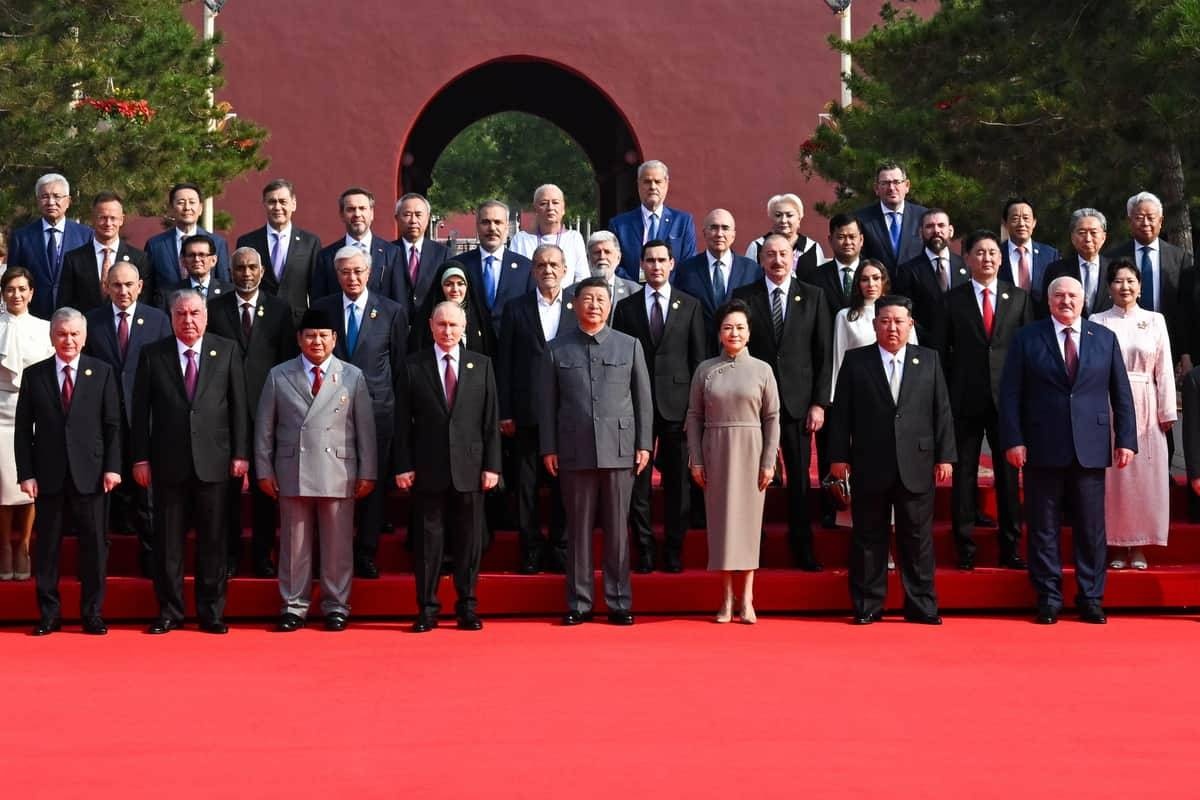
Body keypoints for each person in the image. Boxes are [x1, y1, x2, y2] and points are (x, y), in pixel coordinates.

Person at [999, 276, 1137, 624]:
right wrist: (1013, 439)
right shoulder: (1027, 338)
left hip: (1091, 446)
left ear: (1083, 300)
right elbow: (1010, 394)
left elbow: (1121, 393)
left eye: (1072, 296)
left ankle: (1091, 597)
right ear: (1048, 301)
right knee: (1043, 526)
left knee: (1091, 529)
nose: (1066, 301)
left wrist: (1126, 439)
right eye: (1058, 295)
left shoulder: (1103, 338)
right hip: (1042, 445)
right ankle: (1048, 597)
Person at [828, 295, 955, 625]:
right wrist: (838, 456)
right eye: (885, 321)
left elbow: (941, 410)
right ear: (875, 325)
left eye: (899, 321)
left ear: (910, 324)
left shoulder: (928, 360)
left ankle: (922, 606)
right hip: (870, 461)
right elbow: (841, 414)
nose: (892, 328)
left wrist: (945, 456)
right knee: (869, 538)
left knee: (918, 538)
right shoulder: (857, 361)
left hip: (917, 462)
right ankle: (868, 605)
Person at [132, 290, 250, 634]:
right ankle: (170, 611)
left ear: (206, 316)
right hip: (168, 464)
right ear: (171, 318)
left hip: (215, 462)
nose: (188, 320)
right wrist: (140, 458)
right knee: (168, 543)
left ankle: (211, 612)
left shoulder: (226, 350)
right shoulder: (153, 354)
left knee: (213, 542)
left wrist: (241, 454)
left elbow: (239, 406)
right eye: (181, 314)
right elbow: (140, 412)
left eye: (195, 313)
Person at [255, 308, 376, 632]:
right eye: (310, 335)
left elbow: (365, 429)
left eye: (323, 335)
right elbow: (264, 428)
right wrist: (264, 469)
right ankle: (293, 606)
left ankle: (337, 606)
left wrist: (368, 471)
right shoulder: (279, 375)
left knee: (337, 546)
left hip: (338, 469)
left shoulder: (352, 376)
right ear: (299, 339)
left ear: (334, 339)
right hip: (293, 469)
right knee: (294, 545)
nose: (317, 341)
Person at [540, 277, 652, 626]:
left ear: (610, 305)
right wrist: (549, 447)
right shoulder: (557, 349)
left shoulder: (629, 345)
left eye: (601, 299)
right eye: (587, 299)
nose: (594, 305)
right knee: (578, 530)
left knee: (618, 531)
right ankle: (580, 602)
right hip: (574, 450)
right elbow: (548, 404)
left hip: (619, 450)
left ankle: (619, 602)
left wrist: (644, 443)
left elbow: (643, 399)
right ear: (574, 305)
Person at [395, 302, 502, 632]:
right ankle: (427, 609)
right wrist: (403, 465)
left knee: (469, 543)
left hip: (471, 469)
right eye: (441, 324)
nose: (447, 331)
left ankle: (467, 607)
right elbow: (402, 423)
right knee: (428, 544)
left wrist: (492, 466)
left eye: (454, 325)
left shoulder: (481, 365)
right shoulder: (413, 366)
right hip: (428, 469)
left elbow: (490, 421)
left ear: (464, 327)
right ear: (431, 325)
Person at [15, 307, 122, 635]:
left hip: (92, 475)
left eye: (75, 334)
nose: (68, 340)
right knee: (47, 549)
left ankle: (92, 613)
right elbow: (23, 430)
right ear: (52, 337)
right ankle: (49, 614)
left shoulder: (101, 372)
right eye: (62, 334)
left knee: (94, 548)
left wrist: (112, 468)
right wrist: (26, 473)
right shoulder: (35, 375)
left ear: (84, 337)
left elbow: (113, 425)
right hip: (48, 475)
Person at [731, 233, 832, 570]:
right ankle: (752, 546)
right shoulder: (744, 297)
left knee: (799, 478)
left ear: (794, 258)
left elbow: (823, 354)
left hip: (798, 403)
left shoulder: (814, 296)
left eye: (783, 254)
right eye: (770, 254)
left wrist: (819, 403)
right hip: (753, 403)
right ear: (761, 260)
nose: (777, 260)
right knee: (752, 477)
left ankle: (801, 545)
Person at [311, 246, 408, 578]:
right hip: (329, 412)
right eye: (345, 272)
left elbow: (399, 368)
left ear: (369, 272)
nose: (351, 277)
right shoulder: (321, 308)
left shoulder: (392, 311)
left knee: (372, 484)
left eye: (357, 271)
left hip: (376, 412)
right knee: (331, 483)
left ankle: (366, 551)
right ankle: (332, 553)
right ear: (336, 274)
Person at [613, 240, 706, 573]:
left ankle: (674, 549)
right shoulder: (626, 308)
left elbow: (698, 361)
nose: (655, 266)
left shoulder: (690, 305)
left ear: (672, 264)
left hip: (678, 409)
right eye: (649, 260)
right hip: (636, 408)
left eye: (661, 260)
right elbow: (620, 362)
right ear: (641, 264)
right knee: (638, 484)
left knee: (678, 484)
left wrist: (696, 411)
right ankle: (645, 548)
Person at [942, 231, 1034, 570]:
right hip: (964, 399)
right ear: (967, 259)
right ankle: (965, 548)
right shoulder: (952, 300)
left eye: (993, 252)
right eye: (979, 253)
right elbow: (941, 352)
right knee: (963, 475)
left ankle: (1010, 547)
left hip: (1008, 401)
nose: (987, 259)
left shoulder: (1019, 298)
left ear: (1001, 258)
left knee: (1008, 477)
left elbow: (1028, 351)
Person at [687, 299, 780, 623]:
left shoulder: (763, 370)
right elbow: (694, 416)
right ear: (719, 333)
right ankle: (726, 597)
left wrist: (769, 461)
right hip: (716, 449)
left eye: (740, 327)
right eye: (728, 327)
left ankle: (748, 598)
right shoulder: (705, 369)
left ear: (749, 332)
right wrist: (696, 459)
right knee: (722, 525)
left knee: (749, 525)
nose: (734, 333)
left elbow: (772, 417)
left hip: (752, 450)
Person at [206, 246, 298, 577]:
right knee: (227, 492)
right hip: (225, 411)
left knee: (265, 489)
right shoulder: (214, 309)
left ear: (262, 271)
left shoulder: (279, 309)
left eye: (252, 267)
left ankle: (263, 555)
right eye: (240, 268)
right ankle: (229, 556)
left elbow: (288, 360)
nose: (246, 273)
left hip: (267, 410)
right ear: (230, 272)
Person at [83, 263, 172, 577]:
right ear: (106, 286)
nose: (123, 291)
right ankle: (97, 565)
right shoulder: (91, 321)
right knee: (101, 495)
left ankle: (151, 561)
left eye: (128, 285)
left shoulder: (159, 320)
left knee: (147, 496)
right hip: (102, 420)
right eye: (116, 285)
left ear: (140, 286)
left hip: (145, 420)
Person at [1090, 260, 1176, 570]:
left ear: (1139, 287)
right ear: (1108, 287)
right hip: (1109, 403)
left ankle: (1140, 544)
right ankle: (1115, 543)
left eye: (1130, 281)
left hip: (1146, 402)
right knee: (1115, 478)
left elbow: (1164, 369)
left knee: (1144, 477)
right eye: (1118, 281)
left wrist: (1166, 410)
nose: (1124, 287)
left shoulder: (1155, 320)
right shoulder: (1097, 321)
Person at [497, 245, 574, 574]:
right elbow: (505, 362)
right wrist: (505, 411)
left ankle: (560, 547)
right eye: (541, 265)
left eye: (554, 264)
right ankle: (529, 549)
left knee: (563, 485)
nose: (548, 270)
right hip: (526, 412)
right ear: (532, 271)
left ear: (565, 269)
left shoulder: (577, 306)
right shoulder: (516, 308)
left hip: (568, 412)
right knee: (526, 486)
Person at [0, 268, 53, 581]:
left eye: (22, 289)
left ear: (32, 293)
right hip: (1, 414)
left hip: (34, 413)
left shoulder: (45, 328)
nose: (16, 295)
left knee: (30, 484)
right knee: (4, 485)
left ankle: (24, 546)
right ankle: (5, 547)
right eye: (10, 289)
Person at [1105, 191, 1193, 372]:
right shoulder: (1112, 257)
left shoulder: (1179, 257)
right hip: (1124, 344)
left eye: (1151, 218)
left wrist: (1185, 353)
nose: (1145, 223)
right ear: (1130, 221)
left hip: (1168, 344)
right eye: (1139, 218)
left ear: (1161, 221)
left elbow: (1184, 309)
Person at [235, 178, 323, 325]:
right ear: (264, 204)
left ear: (293, 204)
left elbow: (316, 290)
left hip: (297, 323)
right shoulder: (247, 242)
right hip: (259, 322)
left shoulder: (310, 243)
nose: (277, 207)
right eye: (272, 202)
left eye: (283, 202)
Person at [6, 173, 94, 318]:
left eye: (57, 196)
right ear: (37, 201)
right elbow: (13, 279)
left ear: (68, 201)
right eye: (45, 197)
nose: (51, 202)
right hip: (34, 316)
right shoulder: (22, 237)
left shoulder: (86, 235)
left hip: (73, 318)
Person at [673, 209, 762, 343]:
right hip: (700, 346)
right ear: (704, 233)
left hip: (738, 346)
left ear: (733, 235)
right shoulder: (686, 270)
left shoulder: (752, 270)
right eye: (713, 228)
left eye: (725, 228)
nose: (719, 234)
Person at [58, 191, 153, 314]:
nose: (108, 223)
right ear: (93, 219)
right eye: (102, 218)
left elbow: (144, 301)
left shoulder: (139, 259)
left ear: (121, 220)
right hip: (86, 324)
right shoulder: (74, 259)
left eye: (113, 218)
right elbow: (66, 304)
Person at [892, 208, 967, 353]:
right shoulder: (907, 271)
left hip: (963, 348)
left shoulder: (966, 266)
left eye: (941, 225)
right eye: (930, 226)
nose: (936, 230)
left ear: (950, 230)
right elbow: (906, 313)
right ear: (921, 233)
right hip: (926, 348)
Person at [311, 186, 405, 301]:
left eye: (362, 208)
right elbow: (319, 304)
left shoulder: (392, 253)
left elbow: (399, 301)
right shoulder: (326, 257)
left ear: (371, 213)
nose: (357, 214)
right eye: (351, 209)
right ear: (342, 215)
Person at [608, 160, 697, 280]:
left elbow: (688, 264)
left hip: (671, 290)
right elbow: (614, 263)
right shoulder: (619, 225)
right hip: (632, 290)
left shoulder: (683, 222)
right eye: (647, 182)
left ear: (666, 185)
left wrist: (665, 288)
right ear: (638, 185)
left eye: (658, 182)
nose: (653, 187)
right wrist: (634, 288)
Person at [456, 200, 534, 337]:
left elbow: (531, 313)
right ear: (477, 226)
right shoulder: (460, 265)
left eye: (498, 222)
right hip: (472, 344)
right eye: (486, 222)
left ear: (506, 227)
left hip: (512, 343)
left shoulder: (526, 268)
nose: (492, 228)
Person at [144, 182, 230, 291]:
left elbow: (224, 285)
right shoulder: (155, 245)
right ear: (171, 208)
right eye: (181, 202)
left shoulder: (218, 243)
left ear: (200, 208)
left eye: (192, 202)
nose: (187, 207)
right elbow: (148, 288)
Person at [853, 162, 928, 278]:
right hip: (878, 287)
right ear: (876, 188)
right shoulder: (861, 219)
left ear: (907, 185)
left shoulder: (923, 216)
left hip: (916, 286)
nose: (891, 188)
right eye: (885, 183)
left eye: (897, 182)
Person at [1039, 209, 1113, 318]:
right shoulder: (1056, 270)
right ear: (1072, 237)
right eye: (1082, 233)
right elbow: (1046, 309)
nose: (1088, 239)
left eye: (1093, 233)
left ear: (1103, 237)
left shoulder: (1114, 269)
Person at [509, 184, 590, 284]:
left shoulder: (574, 238)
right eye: (543, 203)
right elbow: (513, 277)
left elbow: (582, 279)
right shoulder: (521, 239)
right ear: (535, 209)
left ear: (563, 209)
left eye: (555, 202)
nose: (550, 207)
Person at [417, 263, 495, 356]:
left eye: (460, 284)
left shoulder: (480, 317)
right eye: (448, 284)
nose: (455, 289)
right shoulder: (425, 319)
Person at [391, 192, 449, 317]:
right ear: (397, 218)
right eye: (407, 215)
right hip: (395, 322)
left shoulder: (442, 253)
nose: (413, 221)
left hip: (430, 323)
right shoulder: (388, 252)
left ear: (428, 218)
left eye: (418, 215)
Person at [744, 193, 826, 276]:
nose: (783, 220)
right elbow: (748, 278)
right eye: (778, 215)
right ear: (771, 217)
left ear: (799, 218)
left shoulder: (813, 248)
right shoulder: (757, 247)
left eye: (789, 215)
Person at [998, 198, 1059, 303]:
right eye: (1015, 218)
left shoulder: (1050, 254)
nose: (1021, 223)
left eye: (1026, 218)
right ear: (1005, 223)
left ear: (1034, 222)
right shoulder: (996, 253)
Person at [570, 231, 641, 320]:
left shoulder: (635, 292)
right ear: (588, 258)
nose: (602, 257)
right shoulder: (571, 292)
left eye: (607, 252)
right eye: (597, 252)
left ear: (618, 258)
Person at [162, 234, 234, 305]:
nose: (196, 259)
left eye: (202, 255)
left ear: (213, 260)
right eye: (191, 255)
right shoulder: (169, 294)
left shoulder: (230, 291)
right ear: (183, 261)